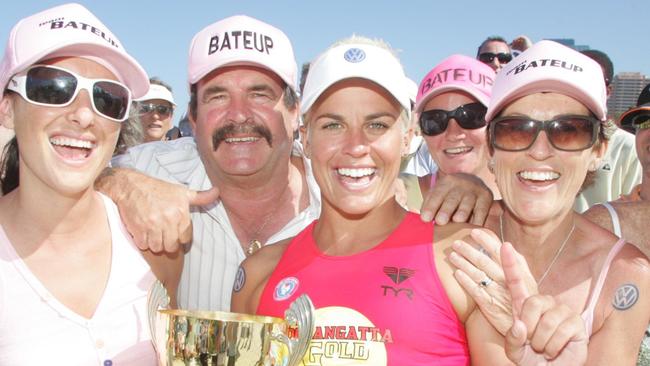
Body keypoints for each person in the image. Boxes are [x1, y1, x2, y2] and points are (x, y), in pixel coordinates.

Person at [96, 15, 495, 312]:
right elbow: (57, 177)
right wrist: (116, 182)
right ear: (193, 117)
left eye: (259, 94)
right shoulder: (150, 169)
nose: (239, 115)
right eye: (217, 96)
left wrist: (472, 185)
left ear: (294, 114)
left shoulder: (349, 187)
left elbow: (407, 190)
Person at [232, 36, 589, 365]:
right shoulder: (257, 276)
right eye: (333, 125)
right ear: (305, 139)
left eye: (377, 125)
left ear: (407, 137)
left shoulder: (464, 260)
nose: (356, 146)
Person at [0, 3, 182, 365]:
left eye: (107, 98)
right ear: (7, 108)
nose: (84, 115)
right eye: (52, 88)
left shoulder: (152, 242)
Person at [450, 40, 650, 364]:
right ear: (491, 148)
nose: (540, 150)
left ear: (598, 151)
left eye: (568, 130)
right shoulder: (451, 236)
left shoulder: (624, 275)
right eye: (516, 129)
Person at [414, 54, 499, 200]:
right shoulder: (400, 201)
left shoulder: (532, 199)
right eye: (435, 120)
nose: (453, 134)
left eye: (472, 116)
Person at [574, 49, 641, 212]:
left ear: (608, 91)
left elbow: (632, 209)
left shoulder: (630, 146)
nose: (582, 87)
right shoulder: (547, 137)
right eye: (576, 79)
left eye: (592, 81)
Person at [135, 77, 177, 142]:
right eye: (146, 108)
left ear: (171, 116)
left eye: (163, 109)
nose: (155, 116)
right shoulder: (120, 151)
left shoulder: (185, 151)